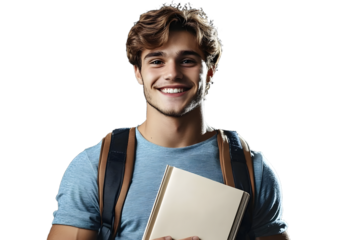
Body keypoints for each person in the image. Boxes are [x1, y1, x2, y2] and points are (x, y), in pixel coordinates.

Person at [46, 2, 290, 240]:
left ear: (211, 70)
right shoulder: (93, 167)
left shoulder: (253, 169)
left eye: (187, 60)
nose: (172, 73)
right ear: (138, 73)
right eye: (156, 61)